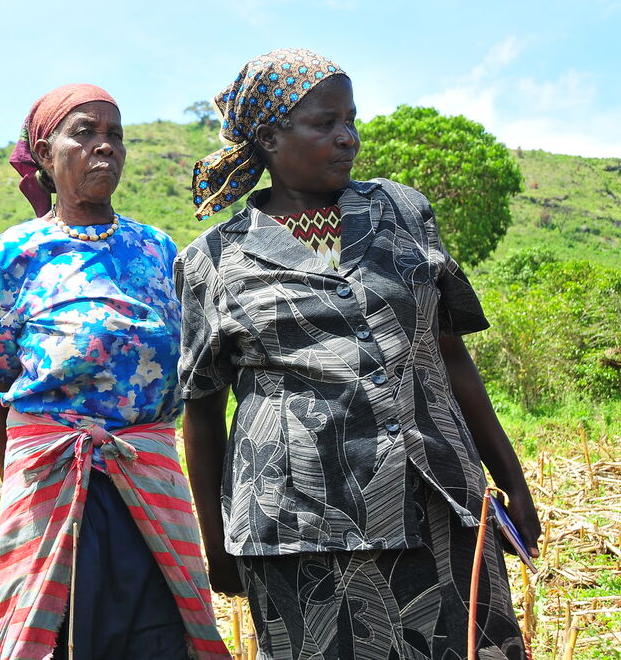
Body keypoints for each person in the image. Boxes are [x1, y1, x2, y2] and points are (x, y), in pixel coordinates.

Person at [177, 48, 542, 660]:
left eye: (352, 119)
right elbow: (203, 415)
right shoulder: (213, 259)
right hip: (297, 531)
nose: (348, 138)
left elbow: (449, 357)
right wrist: (217, 549)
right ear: (269, 137)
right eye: (326, 123)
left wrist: (512, 483)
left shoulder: (401, 212)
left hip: (436, 501)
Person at [0, 84, 229, 660]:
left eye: (114, 135)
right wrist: (17, 478)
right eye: (84, 133)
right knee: (56, 639)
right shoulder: (14, 253)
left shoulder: (158, 250)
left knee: (161, 637)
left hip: (148, 472)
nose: (104, 147)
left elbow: (190, 374)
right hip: (49, 475)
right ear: (45, 153)